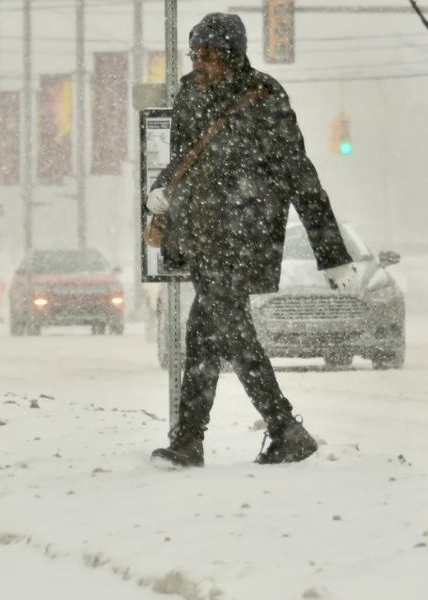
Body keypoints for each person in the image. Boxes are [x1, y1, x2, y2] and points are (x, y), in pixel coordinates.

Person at [146, 13, 357, 468]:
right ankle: (192, 441)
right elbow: (184, 159)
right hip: (203, 232)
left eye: (209, 55)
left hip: (246, 234)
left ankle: (280, 427)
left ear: (233, 55)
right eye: (195, 54)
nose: (200, 63)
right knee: (204, 337)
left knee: (230, 332)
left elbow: (300, 174)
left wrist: (331, 254)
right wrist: (161, 190)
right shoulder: (189, 94)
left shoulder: (262, 96)